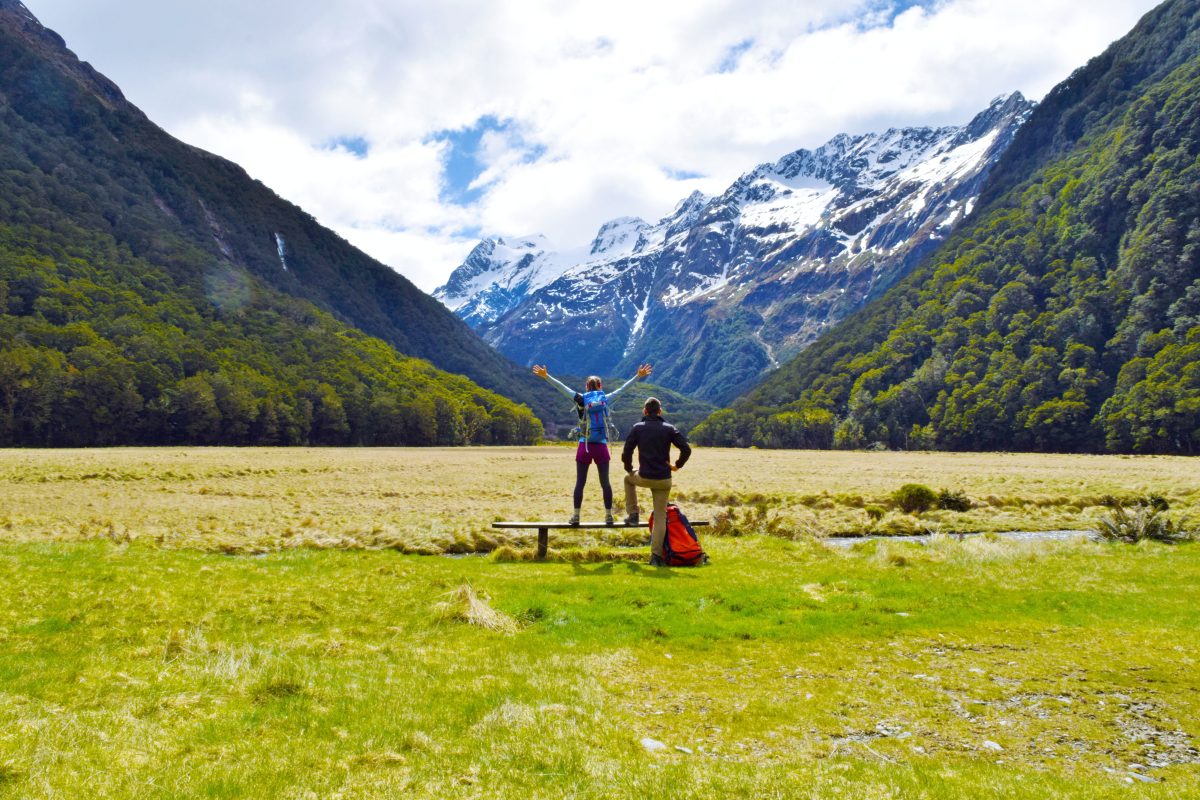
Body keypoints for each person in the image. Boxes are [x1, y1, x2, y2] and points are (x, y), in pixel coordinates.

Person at [533, 363, 653, 526]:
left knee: (580, 483)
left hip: (585, 445)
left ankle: (576, 517)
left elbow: (562, 388)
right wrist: (638, 376)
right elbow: (623, 389)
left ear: (586, 387)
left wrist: (546, 376)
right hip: (601, 446)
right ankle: (609, 516)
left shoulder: (581, 399)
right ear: (600, 386)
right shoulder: (605, 399)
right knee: (605, 483)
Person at [622, 397, 691, 566]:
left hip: (644, 476)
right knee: (661, 516)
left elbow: (627, 451)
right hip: (664, 479)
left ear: (645, 411)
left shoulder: (638, 428)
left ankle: (633, 514)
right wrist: (676, 466)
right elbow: (686, 449)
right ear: (660, 411)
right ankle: (656, 557)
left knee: (627, 479)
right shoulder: (669, 429)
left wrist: (630, 468)